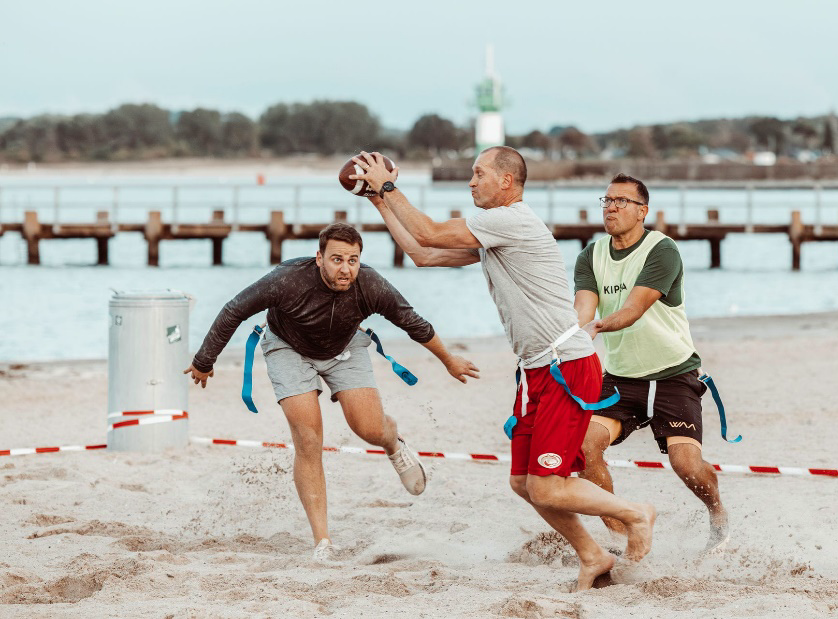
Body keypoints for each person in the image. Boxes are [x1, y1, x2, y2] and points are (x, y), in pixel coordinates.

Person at [351, 148, 656, 592]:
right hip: (536, 371)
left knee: (548, 486)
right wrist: (378, 200)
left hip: (566, 366)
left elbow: (431, 231)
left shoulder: (511, 221)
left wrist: (388, 186)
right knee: (523, 483)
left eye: (479, 174)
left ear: (507, 182)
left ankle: (636, 513)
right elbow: (423, 253)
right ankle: (592, 555)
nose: (471, 182)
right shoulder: (495, 232)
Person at [184, 223, 479, 560]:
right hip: (288, 348)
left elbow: (412, 322)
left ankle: (393, 444)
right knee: (308, 439)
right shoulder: (287, 280)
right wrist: (204, 360)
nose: (345, 268)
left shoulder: (370, 285)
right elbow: (233, 310)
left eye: (353, 260)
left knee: (368, 428)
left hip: (345, 347)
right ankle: (323, 542)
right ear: (319, 257)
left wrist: (449, 360)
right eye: (337, 259)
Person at [572, 173, 729, 553]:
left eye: (620, 201)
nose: (611, 207)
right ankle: (620, 534)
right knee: (584, 446)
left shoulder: (662, 250)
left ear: (642, 210)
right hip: (621, 380)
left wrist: (595, 328)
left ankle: (718, 515)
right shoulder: (590, 255)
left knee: (686, 465)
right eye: (606, 200)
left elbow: (633, 309)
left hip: (674, 375)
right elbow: (582, 310)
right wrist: (568, 336)